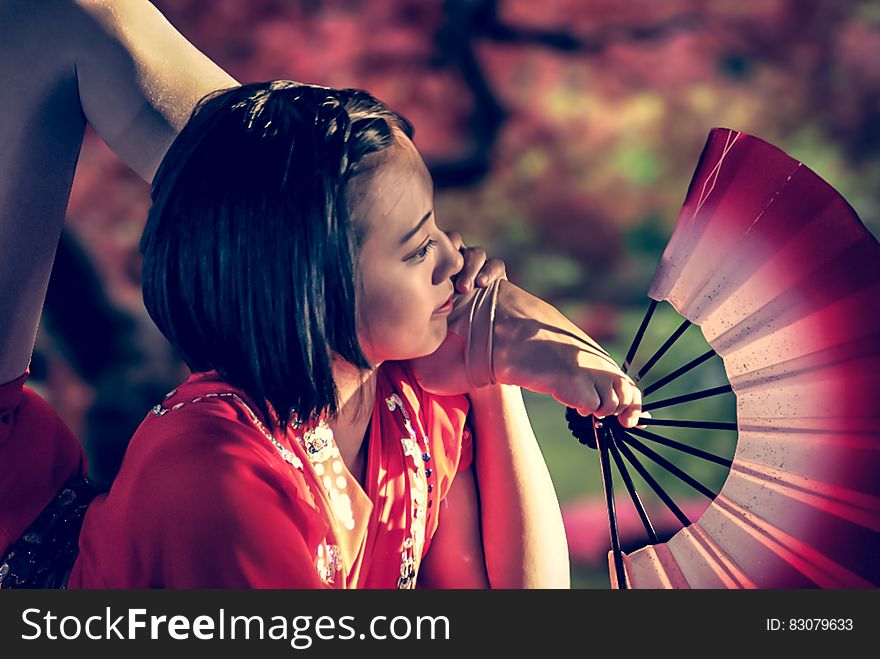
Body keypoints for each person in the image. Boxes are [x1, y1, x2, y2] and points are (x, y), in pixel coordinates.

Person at [0, 1, 642, 588]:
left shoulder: (407, 395)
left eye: (437, 231)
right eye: (418, 249)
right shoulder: (215, 477)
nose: (458, 256)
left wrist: (491, 373)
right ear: (317, 292)